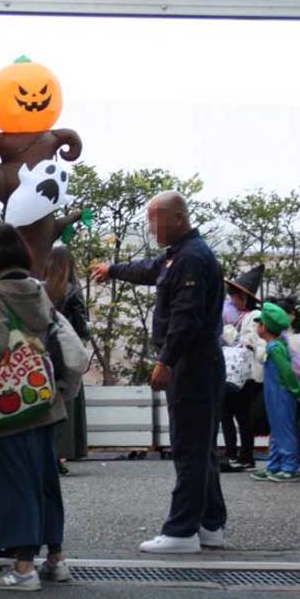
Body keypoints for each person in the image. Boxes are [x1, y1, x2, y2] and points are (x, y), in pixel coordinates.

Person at [91, 191, 228, 554]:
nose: (151, 228)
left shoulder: (193, 259)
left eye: (155, 220)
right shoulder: (179, 255)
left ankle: (182, 531)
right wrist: (113, 270)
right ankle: (209, 523)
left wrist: (166, 360)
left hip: (193, 363)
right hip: (196, 362)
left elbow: (187, 317)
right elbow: (150, 269)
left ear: (179, 218)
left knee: (190, 447)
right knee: (201, 447)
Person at [0, 223, 68, 590]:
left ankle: (23, 570)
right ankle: (56, 560)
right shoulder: (36, 288)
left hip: (11, 408)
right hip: (43, 398)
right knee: (44, 482)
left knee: (17, 484)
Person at [43, 245, 91, 469]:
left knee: (47, 400)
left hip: (46, 351)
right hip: (68, 351)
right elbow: (81, 325)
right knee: (69, 401)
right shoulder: (74, 290)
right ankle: (63, 454)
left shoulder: (41, 289)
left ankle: (48, 454)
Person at [249, 302, 300, 482]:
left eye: (259, 323)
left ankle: (289, 466)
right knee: (276, 429)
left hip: (281, 393)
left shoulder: (275, 348)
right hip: (274, 393)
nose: (257, 326)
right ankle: (274, 465)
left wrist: (296, 390)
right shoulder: (274, 345)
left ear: (265, 327)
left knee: (284, 429)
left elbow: (286, 371)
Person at [219, 265, 264, 473]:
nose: (233, 301)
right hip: (237, 372)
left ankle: (244, 455)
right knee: (228, 413)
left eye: (235, 297)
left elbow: (251, 340)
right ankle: (232, 453)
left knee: (242, 416)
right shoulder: (243, 316)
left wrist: (237, 340)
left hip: (247, 374)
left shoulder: (254, 316)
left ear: (244, 298)